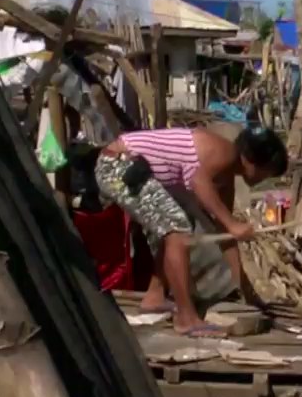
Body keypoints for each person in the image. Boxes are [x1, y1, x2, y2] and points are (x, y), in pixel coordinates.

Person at [95, 126, 288, 336]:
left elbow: (227, 235)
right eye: (267, 172)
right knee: (178, 232)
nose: (265, 178)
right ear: (255, 161)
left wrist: (244, 289)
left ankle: (155, 296)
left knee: (177, 225)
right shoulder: (226, 153)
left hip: (129, 167)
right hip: (117, 165)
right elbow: (198, 182)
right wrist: (233, 224)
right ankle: (186, 319)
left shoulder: (226, 176)